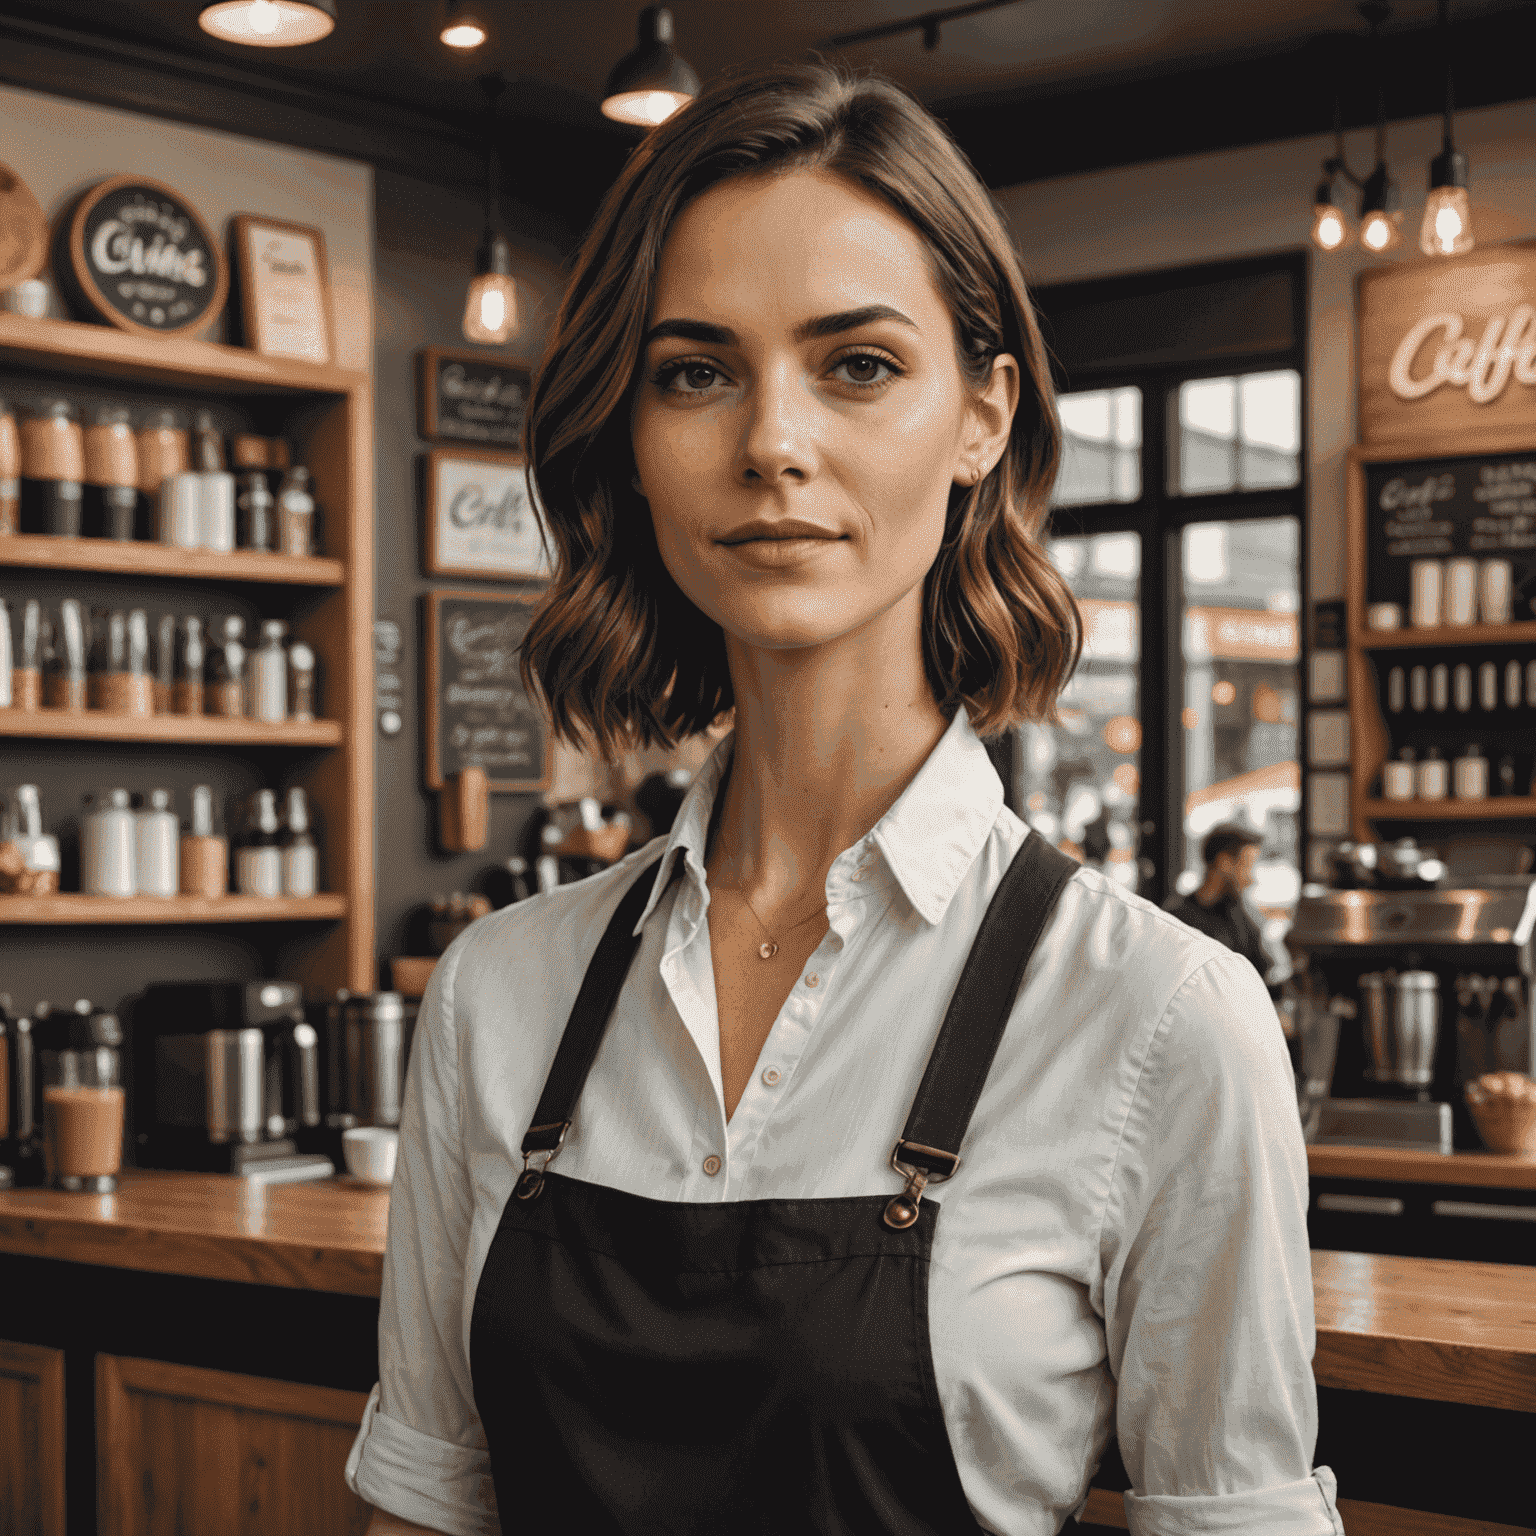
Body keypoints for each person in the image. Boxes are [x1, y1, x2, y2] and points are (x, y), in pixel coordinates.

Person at [346, 61, 1342, 1536]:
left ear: (981, 418)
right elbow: (421, 1506)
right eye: (695, 371)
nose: (771, 444)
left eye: (857, 365)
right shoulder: (503, 991)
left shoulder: (1161, 1019)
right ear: (631, 432)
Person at [1163, 823, 1285, 1002]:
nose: (1251, 879)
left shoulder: (1240, 913)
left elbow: (1265, 972)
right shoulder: (1177, 918)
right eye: (1247, 866)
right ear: (1224, 863)